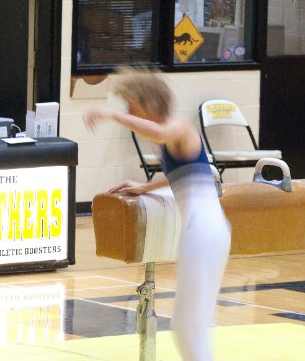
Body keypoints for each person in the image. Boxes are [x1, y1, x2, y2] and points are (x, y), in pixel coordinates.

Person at [83, 67, 230, 361]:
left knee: (189, 328)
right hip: (205, 229)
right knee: (189, 327)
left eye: (130, 105)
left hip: (203, 230)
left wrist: (111, 114)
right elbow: (192, 172)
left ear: (146, 101)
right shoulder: (173, 136)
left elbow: (160, 133)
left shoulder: (177, 126)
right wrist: (145, 186)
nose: (128, 111)